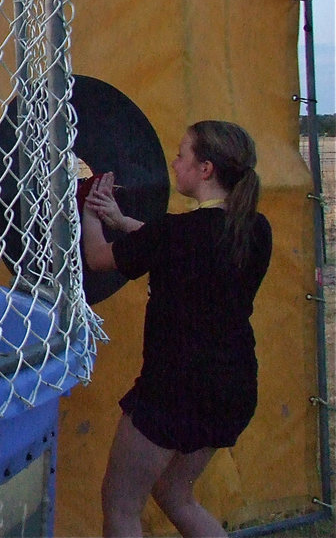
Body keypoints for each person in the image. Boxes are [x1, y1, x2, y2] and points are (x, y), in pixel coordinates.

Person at [81, 121, 272, 537]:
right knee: (176, 493)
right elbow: (176, 246)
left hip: (174, 390)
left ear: (205, 169)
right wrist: (121, 218)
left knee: (121, 505)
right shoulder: (255, 229)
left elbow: (98, 258)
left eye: (182, 155)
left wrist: (87, 213)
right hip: (232, 386)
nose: (174, 162)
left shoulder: (177, 234)